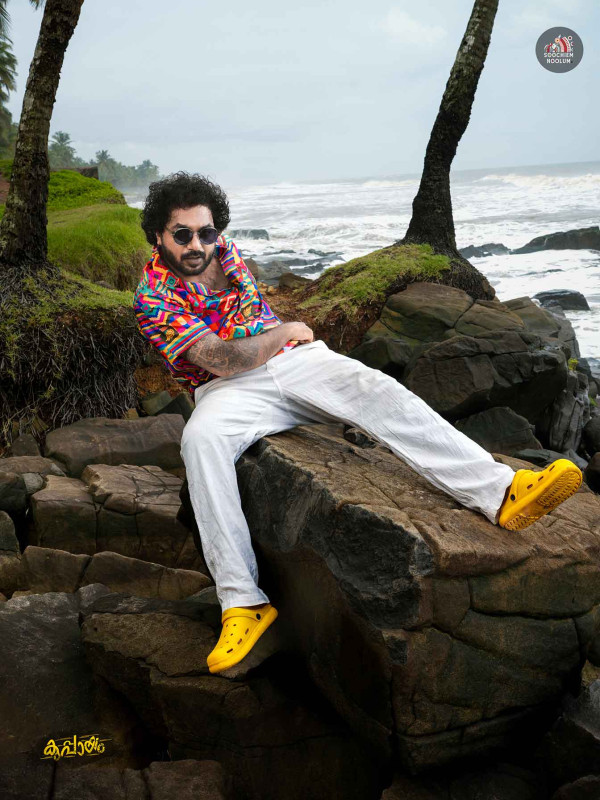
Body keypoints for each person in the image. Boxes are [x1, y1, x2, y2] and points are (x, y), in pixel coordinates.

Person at [132, 172, 583, 675]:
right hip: (227, 387)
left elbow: (250, 315)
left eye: (206, 232)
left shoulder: (227, 253)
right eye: (182, 234)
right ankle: (242, 603)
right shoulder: (152, 295)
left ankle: (503, 491)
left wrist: (283, 340)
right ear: (158, 235)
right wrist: (285, 330)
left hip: (293, 362)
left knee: (377, 390)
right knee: (200, 440)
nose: (197, 245)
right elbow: (222, 359)